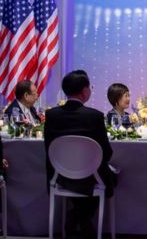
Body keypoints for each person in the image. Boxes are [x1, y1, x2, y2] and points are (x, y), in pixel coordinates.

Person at [44, 70, 116, 237]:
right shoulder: (94, 116)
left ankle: (77, 216)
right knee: (110, 177)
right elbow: (106, 152)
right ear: (84, 91)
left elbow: (48, 149)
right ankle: (80, 217)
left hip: (60, 175)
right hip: (90, 176)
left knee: (80, 178)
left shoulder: (52, 115)